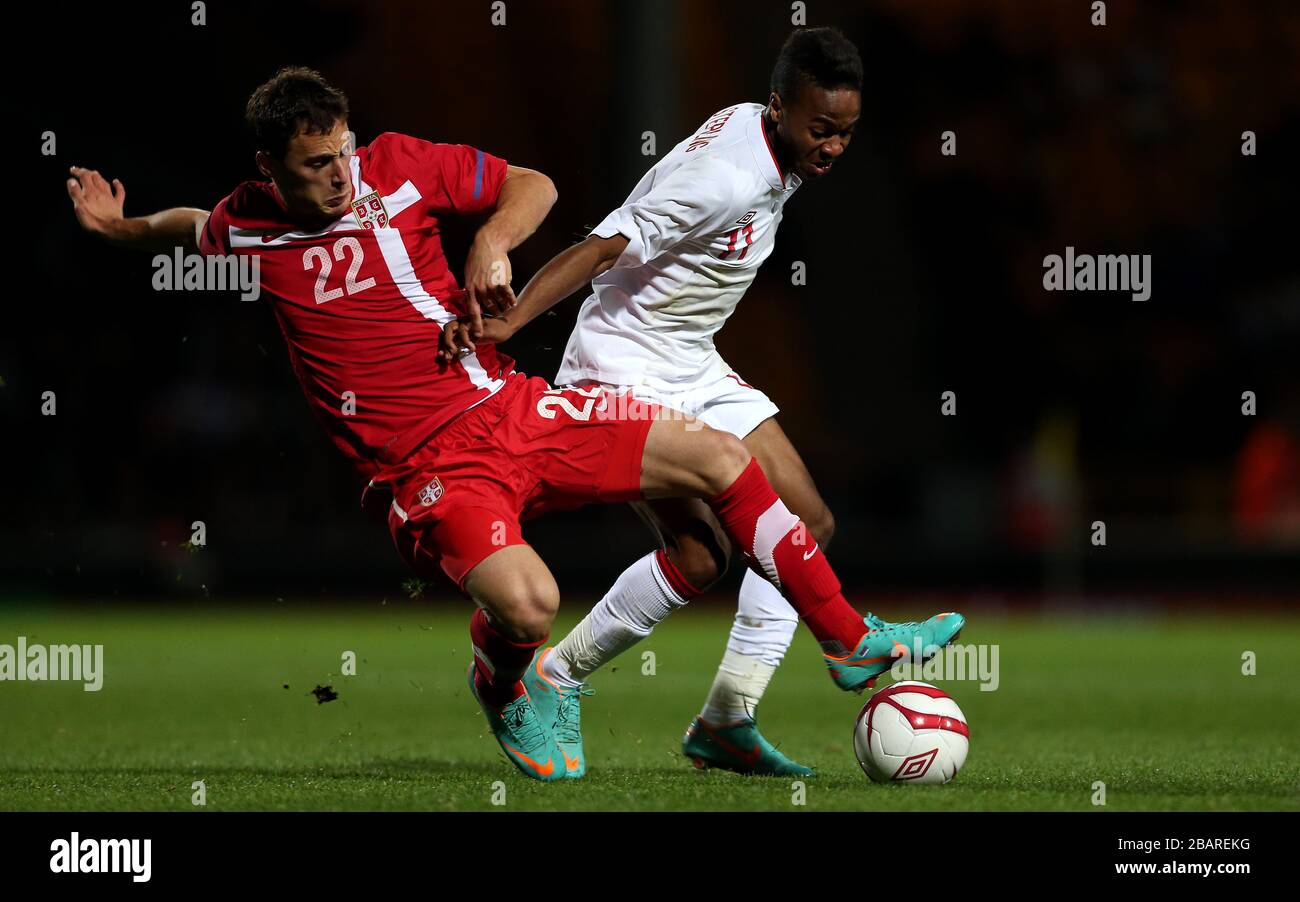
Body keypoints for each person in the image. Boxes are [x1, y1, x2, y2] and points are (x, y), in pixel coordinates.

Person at [69, 65, 962, 784]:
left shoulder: (398, 165)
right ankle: (504, 685)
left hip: (509, 404)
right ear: (270, 171)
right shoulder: (249, 226)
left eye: (343, 153)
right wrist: (124, 229)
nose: (342, 175)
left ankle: (846, 640)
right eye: (316, 166)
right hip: (425, 468)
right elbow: (195, 226)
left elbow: (530, 186)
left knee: (721, 460)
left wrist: (491, 241)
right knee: (530, 602)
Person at [439, 28, 964, 779]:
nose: (833, 148)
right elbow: (600, 246)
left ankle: (726, 719)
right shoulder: (724, 176)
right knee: (700, 553)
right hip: (622, 366)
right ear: (781, 108)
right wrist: (515, 317)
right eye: (820, 130)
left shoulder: (771, 133)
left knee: (806, 521)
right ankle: (561, 674)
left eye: (847, 132)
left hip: (689, 359)